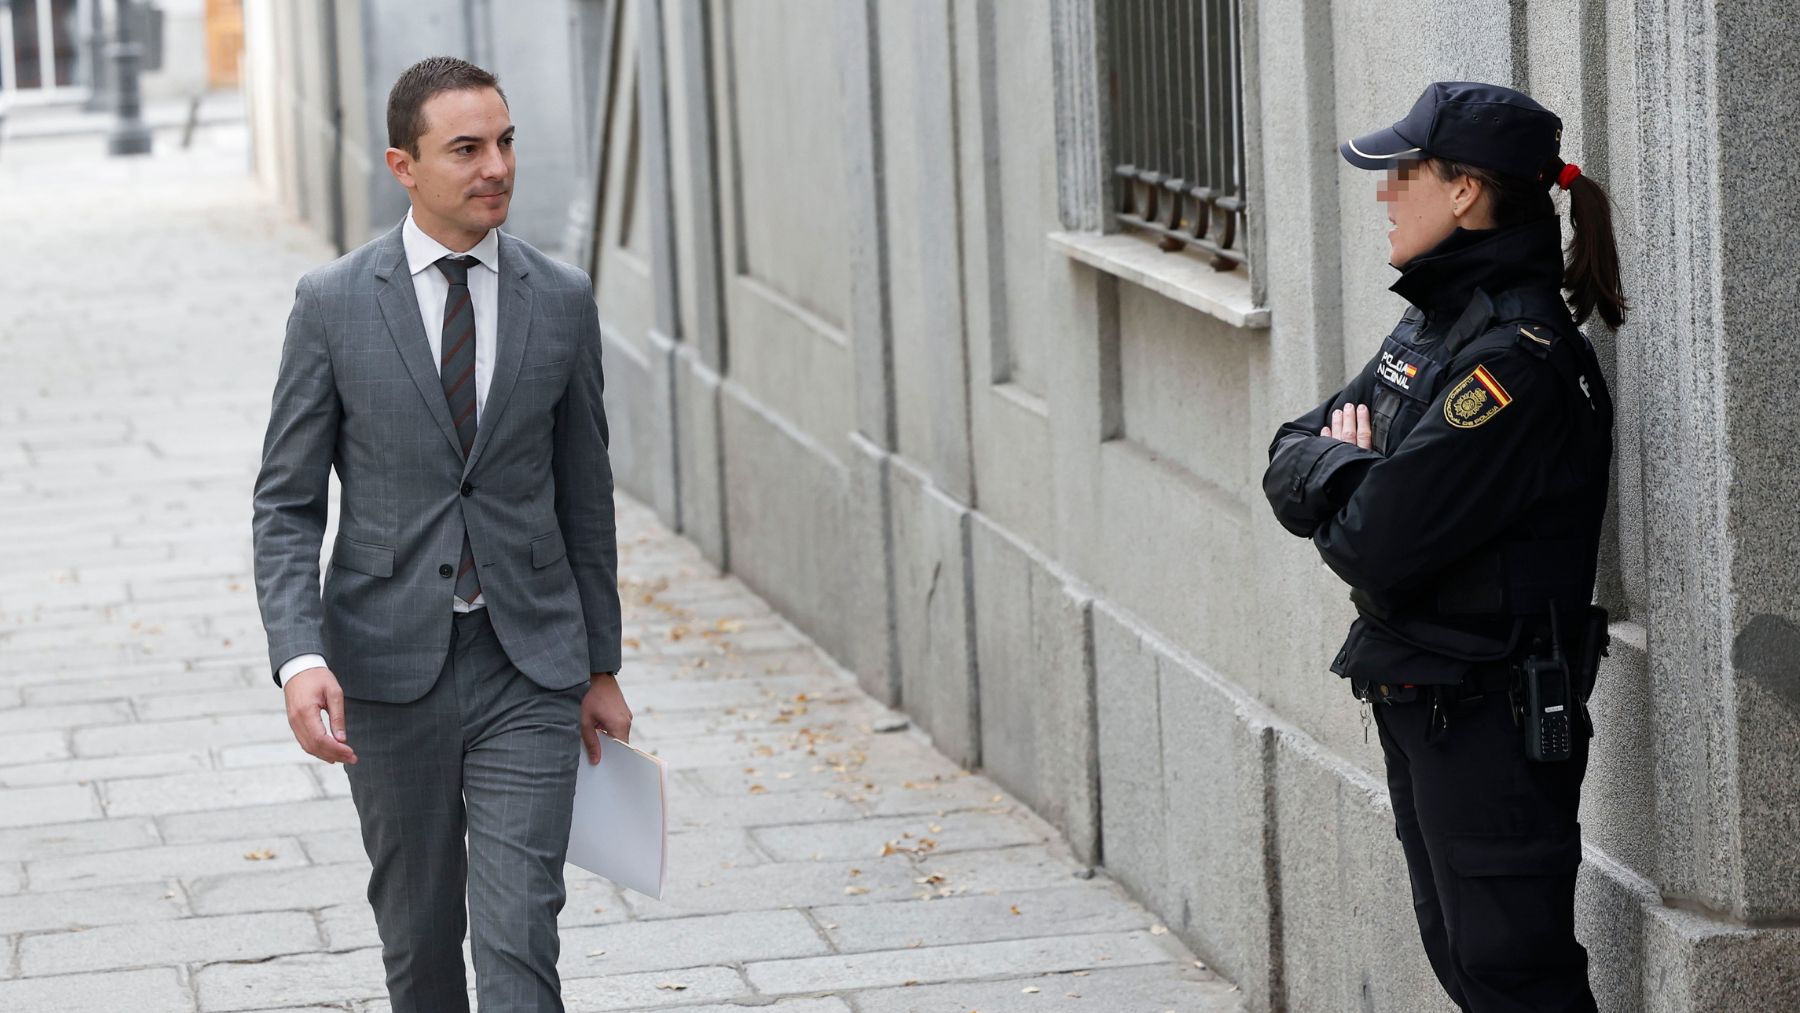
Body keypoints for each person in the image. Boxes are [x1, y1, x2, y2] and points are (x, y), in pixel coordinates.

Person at [251, 56, 629, 1012]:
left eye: (505, 142)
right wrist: (299, 658)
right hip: (386, 669)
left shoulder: (561, 298)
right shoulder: (333, 305)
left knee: (519, 944)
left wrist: (601, 665)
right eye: (466, 148)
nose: (495, 165)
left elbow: (586, 496)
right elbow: (287, 502)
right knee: (420, 946)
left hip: (529, 663)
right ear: (403, 165)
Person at [1262, 81, 1624, 1012]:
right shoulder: (1437, 320)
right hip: (1426, 694)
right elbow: (1286, 451)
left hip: (1487, 713)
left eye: (1404, 172)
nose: (1385, 192)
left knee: (1513, 974)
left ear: (1465, 192)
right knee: (1468, 962)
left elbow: (1376, 543)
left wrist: (1349, 470)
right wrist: (1353, 465)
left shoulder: (1513, 359)